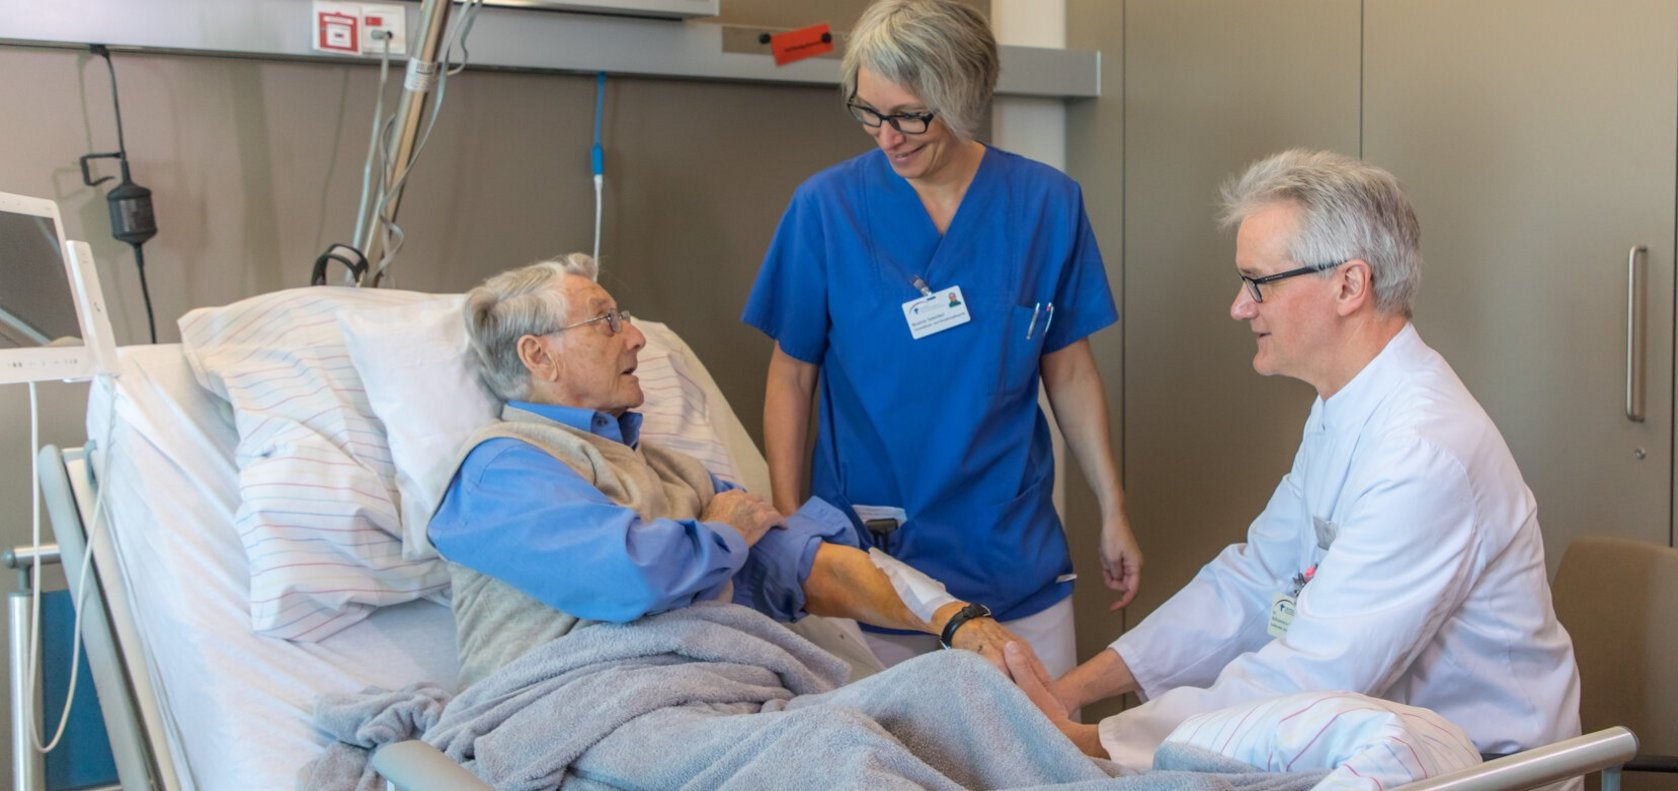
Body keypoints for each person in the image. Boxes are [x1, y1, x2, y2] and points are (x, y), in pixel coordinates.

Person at [1005, 149, 1582, 770]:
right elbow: (1253, 581)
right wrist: (1069, 693)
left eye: (1260, 282)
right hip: (1373, 744)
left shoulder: (1423, 452)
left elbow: (1311, 676)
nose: (1240, 305)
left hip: (1483, 771)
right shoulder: (1345, 406)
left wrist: (1102, 740)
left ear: (1348, 285)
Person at [742, 0, 1137, 679]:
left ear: (965, 96)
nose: (886, 137)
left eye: (909, 115)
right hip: (873, 559)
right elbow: (792, 375)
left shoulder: (1047, 205)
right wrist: (792, 528)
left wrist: (1113, 507)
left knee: (1041, 759)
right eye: (868, 112)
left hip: (1010, 554)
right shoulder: (826, 209)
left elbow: (1067, 368)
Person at [428, 254, 1024, 688]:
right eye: (607, 321)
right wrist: (724, 534)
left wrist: (951, 619)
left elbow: (801, 563)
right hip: (576, 709)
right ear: (538, 355)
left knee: (958, 707)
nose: (636, 337)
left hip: (703, 698)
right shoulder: (503, 466)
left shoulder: (673, 471)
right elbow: (630, 578)